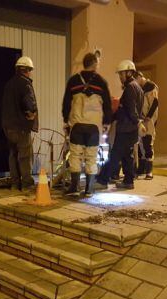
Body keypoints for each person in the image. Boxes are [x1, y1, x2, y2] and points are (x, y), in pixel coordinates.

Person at [62, 52, 112, 197]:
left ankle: (74, 186)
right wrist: (107, 122)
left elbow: (66, 103)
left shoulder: (73, 81)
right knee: (91, 156)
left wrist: (66, 120)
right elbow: (107, 104)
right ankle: (89, 188)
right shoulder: (101, 82)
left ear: (84, 64)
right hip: (94, 127)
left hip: (77, 125)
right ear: (95, 64)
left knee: (75, 156)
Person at [96, 60, 143, 190]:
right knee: (127, 155)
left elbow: (131, 110)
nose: (120, 77)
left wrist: (137, 122)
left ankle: (102, 180)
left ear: (129, 72)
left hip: (126, 129)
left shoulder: (130, 88)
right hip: (131, 129)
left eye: (121, 74)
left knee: (115, 155)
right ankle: (128, 181)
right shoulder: (138, 88)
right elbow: (126, 109)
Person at [1, 56, 38, 191]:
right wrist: (31, 114)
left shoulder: (9, 84)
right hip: (21, 127)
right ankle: (27, 184)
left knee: (13, 154)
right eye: (30, 70)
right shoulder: (25, 83)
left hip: (8, 127)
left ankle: (15, 184)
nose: (30, 73)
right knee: (24, 155)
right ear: (27, 70)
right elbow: (30, 104)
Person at [135, 71, 159, 180]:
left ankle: (149, 171)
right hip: (141, 118)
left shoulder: (151, 87)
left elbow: (155, 103)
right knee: (140, 143)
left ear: (140, 77)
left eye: (136, 79)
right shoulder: (139, 88)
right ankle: (142, 168)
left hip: (149, 120)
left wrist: (148, 117)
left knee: (148, 143)